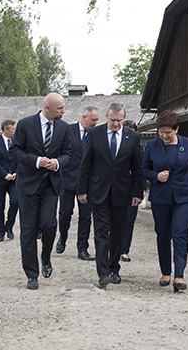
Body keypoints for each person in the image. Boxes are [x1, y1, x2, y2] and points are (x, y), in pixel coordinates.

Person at [76, 103, 143, 286]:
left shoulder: (133, 137)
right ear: (106, 117)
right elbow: (85, 164)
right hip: (99, 191)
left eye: (119, 120)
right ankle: (103, 272)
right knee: (101, 231)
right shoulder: (94, 134)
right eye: (112, 120)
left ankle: (114, 268)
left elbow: (137, 167)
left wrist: (137, 192)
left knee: (117, 233)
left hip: (122, 191)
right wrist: (81, 190)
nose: (115, 124)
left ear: (124, 118)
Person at [10, 92, 72, 290]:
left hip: (51, 185)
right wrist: (36, 161)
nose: (63, 111)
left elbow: (69, 154)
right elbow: (15, 151)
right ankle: (32, 274)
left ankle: (46, 257)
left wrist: (57, 163)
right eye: (60, 108)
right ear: (47, 108)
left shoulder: (63, 127)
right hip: (28, 184)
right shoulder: (25, 124)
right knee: (28, 230)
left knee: (49, 224)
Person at [141, 110, 188, 292]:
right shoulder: (152, 145)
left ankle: (179, 275)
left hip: (184, 196)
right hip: (161, 197)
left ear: (176, 129)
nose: (164, 136)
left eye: (168, 132)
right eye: (161, 132)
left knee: (180, 233)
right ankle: (165, 271)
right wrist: (156, 176)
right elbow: (144, 169)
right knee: (163, 234)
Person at [57, 105, 99, 260]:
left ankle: (82, 249)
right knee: (65, 213)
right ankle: (62, 237)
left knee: (86, 217)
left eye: (97, 120)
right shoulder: (68, 130)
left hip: (88, 183)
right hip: (68, 179)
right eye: (93, 119)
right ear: (84, 117)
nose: (95, 123)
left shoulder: (96, 134)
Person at [0, 120, 19, 242]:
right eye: (13, 129)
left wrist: (16, 172)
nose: (15, 131)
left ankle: (9, 227)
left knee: (15, 201)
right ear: (6, 130)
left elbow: (20, 158)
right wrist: (5, 174)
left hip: (14, 179)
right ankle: (0, 231)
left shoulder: (17, 142)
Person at [119, 119, 144, 263]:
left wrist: (140, 189)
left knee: (129, 220)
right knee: (115, 220)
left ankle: (124, 250)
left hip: (132, 187)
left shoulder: (139, 149)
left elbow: (141, 170)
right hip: (117, 186)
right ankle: (112, 247)